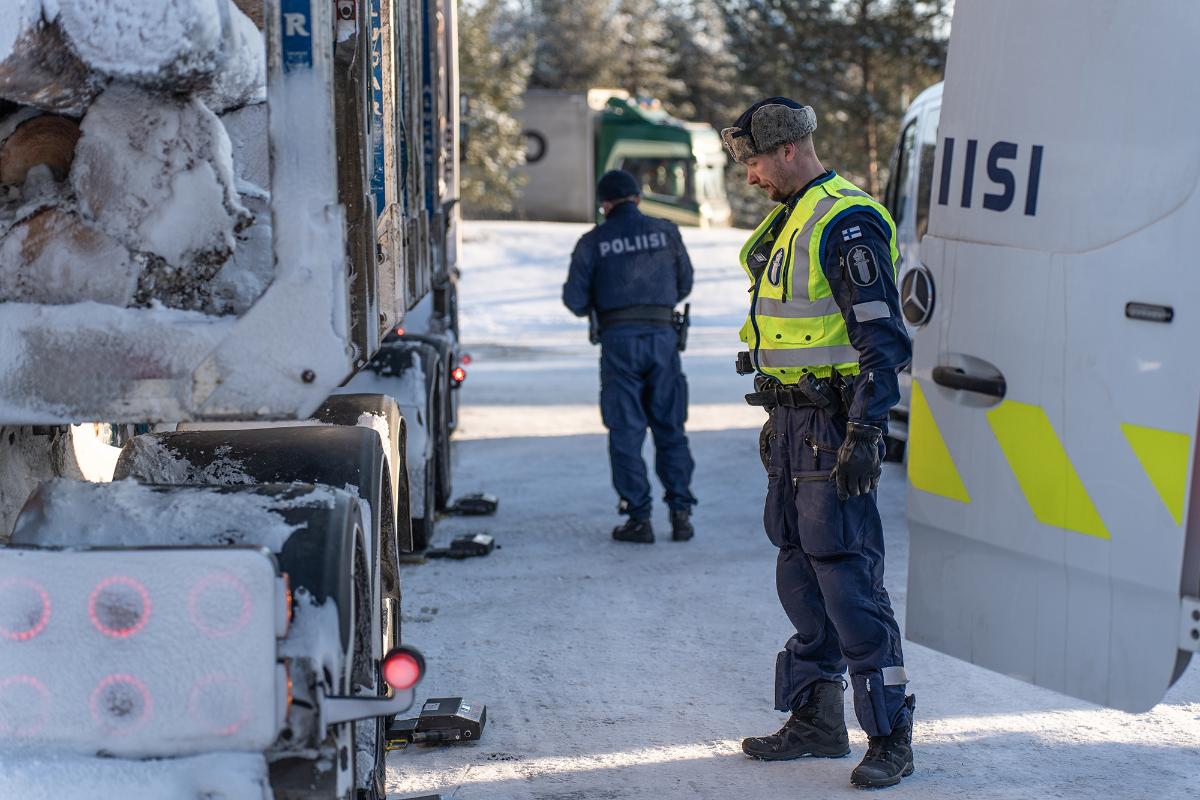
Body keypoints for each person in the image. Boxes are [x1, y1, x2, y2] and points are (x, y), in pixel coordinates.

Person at [721, 97, 915, 788]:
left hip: (834, 426)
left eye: (751, 162)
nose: (748, 177)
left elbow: (882, 341)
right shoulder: (793, 219)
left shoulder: (846, 219)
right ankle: (817, 720)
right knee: (801, 574)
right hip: (792, 427)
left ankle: (890, 732)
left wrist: (866, 430)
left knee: (849, 579)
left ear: (787, 151)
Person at [562, 169, 697, 544]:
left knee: (626, 432)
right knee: (671, 428)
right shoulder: (667, 231)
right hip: (663, 339)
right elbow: (684, 283)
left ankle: (639, 518)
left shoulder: (593, 242)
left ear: (605, 204)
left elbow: (574, 300)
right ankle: (681, 513)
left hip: (619, 343)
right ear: (637, 197)